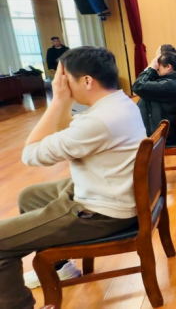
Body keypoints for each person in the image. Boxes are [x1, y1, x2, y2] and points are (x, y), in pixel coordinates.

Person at [0, 47, 145, 309]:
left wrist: (57, 101)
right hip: (111, 192)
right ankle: (61, 267)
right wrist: (64, 103)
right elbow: (68, 130)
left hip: (101, 212)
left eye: (64, 79)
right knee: (29, 196)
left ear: (87, 81)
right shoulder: (121, 102)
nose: (61, 85)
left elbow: (30, 155)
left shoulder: (98, 120)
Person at [133, 51, 176, 146]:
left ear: (168, 67)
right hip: (167, 135)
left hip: (163, 139)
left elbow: (138, 86)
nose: (157, 70)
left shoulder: (170, 85)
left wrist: (151, 68)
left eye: (159, 67)